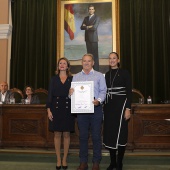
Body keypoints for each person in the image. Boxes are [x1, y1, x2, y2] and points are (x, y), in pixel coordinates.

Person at [69, 53, 107, 170]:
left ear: (93, 63)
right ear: (82, 62)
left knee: (96, 137)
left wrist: (98, 101)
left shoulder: (99, 76)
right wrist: (70, 94)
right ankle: (83, 162)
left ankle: (96, 162)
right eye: (84, 61)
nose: (86, 63)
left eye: (89, 61)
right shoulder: (76, 77)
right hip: (81, 111)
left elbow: (103, 91)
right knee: (83, 137)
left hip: (96, 110)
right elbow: (72, 97)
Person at [103, 52, 132, 170]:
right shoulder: (107, 75)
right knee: (110, 134)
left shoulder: (125, 73)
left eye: (114, 58)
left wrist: (128, 108)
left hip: (121, 107)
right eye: (110, 59)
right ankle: (112, 162)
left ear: (118, 60)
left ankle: (120, 162)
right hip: (109, 107)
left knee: (121, 134)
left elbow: (129, 92)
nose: (112, 60)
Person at [46, 57, 75, 170]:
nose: (62, 65)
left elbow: (76, 95)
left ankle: (65, 159)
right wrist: (48, 110)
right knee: (57, 134)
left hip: (68, 108)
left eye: (64, 63)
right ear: (58, 66)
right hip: (55, 108)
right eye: (60, 63)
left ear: (67, 66)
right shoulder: (53, 79)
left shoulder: (72, 79)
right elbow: (49, 96)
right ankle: (58, 158)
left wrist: (73, 93)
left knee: (67, 134)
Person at [80, 4, 100, 71]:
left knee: (95, 56)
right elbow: (81, 27)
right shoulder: (86, 18)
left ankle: (96, 70)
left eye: (92, 9)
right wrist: (89, 26)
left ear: (94, 10)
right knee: (89, 56)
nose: (91, 10)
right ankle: (90, 70)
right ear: (88, 10)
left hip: (94, 39)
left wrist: (86, 26)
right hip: (87, 39)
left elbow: (94, 27)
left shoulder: (97, 17)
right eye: (90, 9)